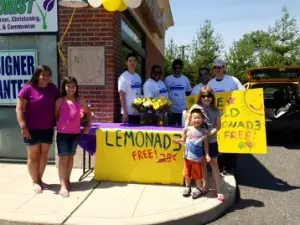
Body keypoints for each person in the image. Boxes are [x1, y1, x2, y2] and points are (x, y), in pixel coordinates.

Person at [16, 65, 58, 193]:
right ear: (37, 75)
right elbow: (19, 109)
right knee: (33, 156)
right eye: (42, 74)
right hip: (31, 129)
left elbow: (59, 104)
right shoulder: (27, 89)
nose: (45, 77)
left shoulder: (53, 89)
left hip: (47, 128)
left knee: (44, 155)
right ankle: (35, 181)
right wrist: (23, 127)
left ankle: (40, 179)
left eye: (47, 75)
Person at [55, 76, 91, 197]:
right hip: (63, 134)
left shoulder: (80, 100)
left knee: (70, 158)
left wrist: (87, 125)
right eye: (68, 86)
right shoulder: (60, 101)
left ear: (76, 87)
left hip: (75, 134)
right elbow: (56, 116)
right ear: (64, 87)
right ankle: (62, 185)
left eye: (73, 86)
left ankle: (67, 180)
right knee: (63, 158)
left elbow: (88, 112)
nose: (71, 88)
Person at [207, 59, 245, 174]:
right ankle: (220, 166)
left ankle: (230, 168)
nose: (217, 69)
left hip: (231, 117)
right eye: (215, 67)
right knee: (218, 142)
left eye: (219, 67)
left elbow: (243, 94)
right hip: (217, 117)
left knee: (230, 141)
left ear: (224, 68)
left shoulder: (233, 80)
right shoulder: (211, 83)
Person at [175, 105, 210, 199]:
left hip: (197, 159)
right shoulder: (188, 129)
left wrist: (207, 154)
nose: (197, 119)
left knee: (198, 175)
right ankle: (187, 187)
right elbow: (183, 140)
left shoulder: (204, 132)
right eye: (194, 118)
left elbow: (206, 145)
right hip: (187, 157)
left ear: (202, 119)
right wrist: (179, 140)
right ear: (190, 119)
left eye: (199, 117)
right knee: (187, 174)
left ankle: (198, 189)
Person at [197, 86, 225, 201]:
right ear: (200, 97)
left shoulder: (216, 110)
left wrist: (210, 133)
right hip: (200, 142)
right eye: (203, 96)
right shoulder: (197, 108)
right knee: (203, 164)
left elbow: (218, 126)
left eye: (208, 96)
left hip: (212, 141)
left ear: (212, 97)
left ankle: (219, 190)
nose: (206, 98)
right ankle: (205, 186)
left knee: (214, 165)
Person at [165, 59, 192, 126]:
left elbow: (188, 93)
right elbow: (165, 94)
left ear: (181, 68)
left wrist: (188, 107)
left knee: (183, 129)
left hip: (183, 110)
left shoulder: (185, 79)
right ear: (172, 68)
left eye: (179, 67)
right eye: (175, 67)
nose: (177, 69)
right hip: (171, 110)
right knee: (170, 129)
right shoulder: (167, 79)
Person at [118, 52, 142, 124]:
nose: (132, 63)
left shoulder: (138, 77)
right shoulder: (123, 77)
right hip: (128, 114)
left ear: (136, 63)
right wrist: (125, 113)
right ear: (126, 63)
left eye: (134, 60)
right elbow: (121, 95)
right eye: (130, 60)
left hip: (137, 113)